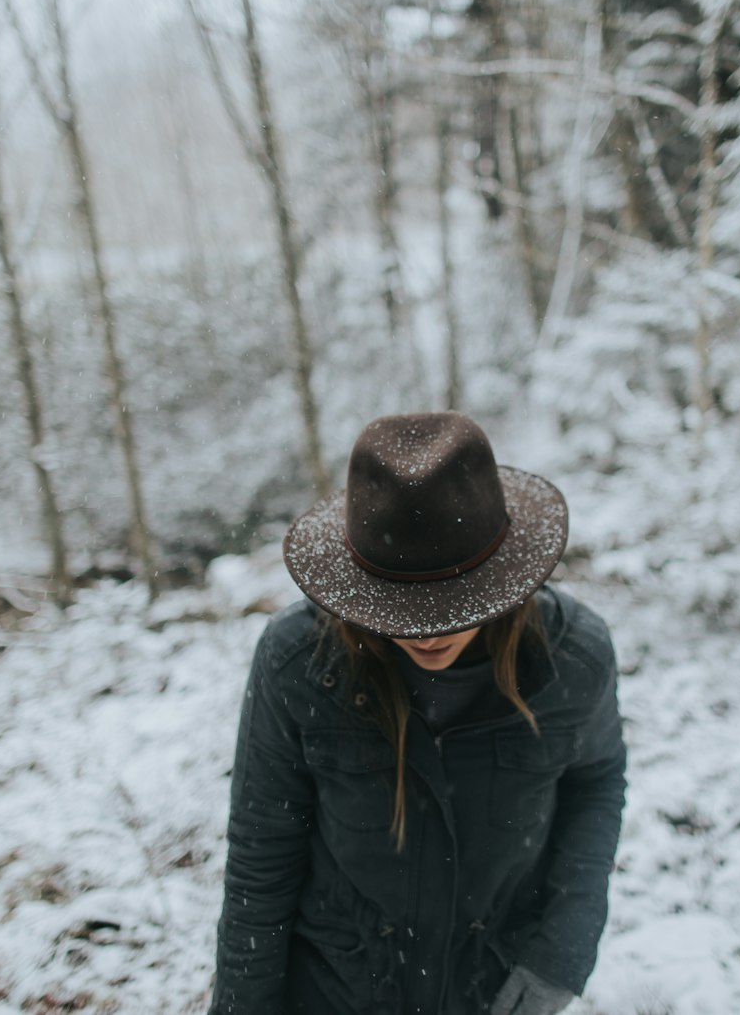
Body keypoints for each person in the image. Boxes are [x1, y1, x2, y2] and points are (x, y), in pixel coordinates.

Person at [211, 412, 627, 1015]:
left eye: (454, 603)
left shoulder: (575, 658)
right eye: (401, 604)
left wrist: (563, 950)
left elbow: (595, 783)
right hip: (334, 989)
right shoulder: (296, 659)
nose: (429, 632)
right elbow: (261, 852)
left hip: (490, 989)